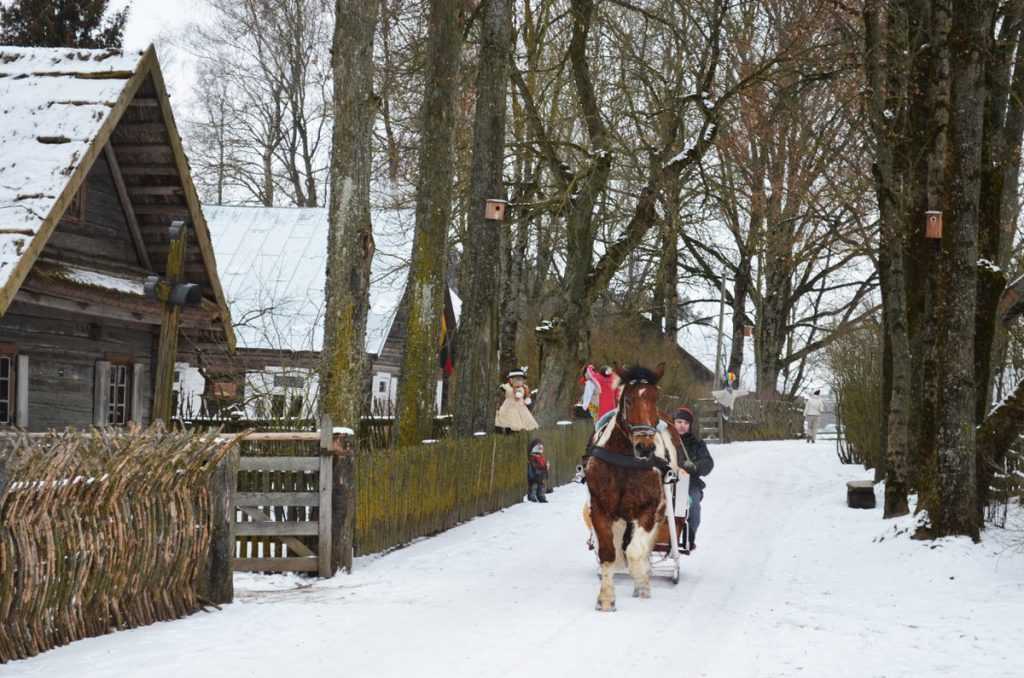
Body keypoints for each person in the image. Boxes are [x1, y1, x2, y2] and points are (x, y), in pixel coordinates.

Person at [672, 407, 714, 551]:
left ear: (690, 426)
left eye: (686, 423)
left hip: (689, 484)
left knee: (693, 504)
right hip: (665, 482)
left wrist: (695, 467)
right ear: (673, 423)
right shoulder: (664, 440)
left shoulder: (697, 444)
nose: (682, 425)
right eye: (679, 422)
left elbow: (708, 463)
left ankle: (690, 537)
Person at [495, 368, 539, 433]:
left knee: (523, 421)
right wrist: (498, 404)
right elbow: (501, 397)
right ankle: (509, 431)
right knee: (510, 420)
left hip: (521, 407)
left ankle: (519, 432)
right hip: (509, 407)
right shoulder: (506, 387)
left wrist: (527, 399)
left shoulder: (524, 388)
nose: (519, 381)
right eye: (517, 379)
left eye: (521, 379)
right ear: (511, 379)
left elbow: (526, 396)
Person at [526, 438, 549, 503]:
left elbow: (544, 464)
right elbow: (533, 466)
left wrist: (546, 467)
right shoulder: (532, 458)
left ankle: (541, 497)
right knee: (534, 486)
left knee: (541, 487)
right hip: (535, 475)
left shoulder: (542, 457)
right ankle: (532, 496)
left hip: (541, 475)